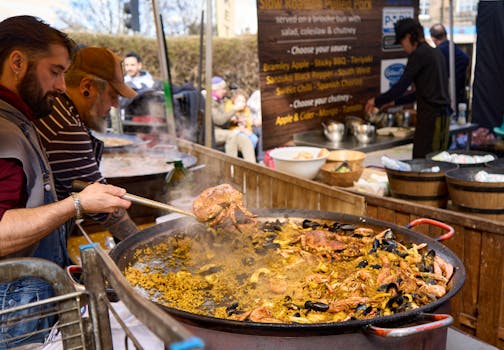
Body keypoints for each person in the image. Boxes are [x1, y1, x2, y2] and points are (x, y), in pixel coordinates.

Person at [0, 16, 131, 347]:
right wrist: (79, 204)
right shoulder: (4, 131)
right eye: (55, 71)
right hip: (13, 304)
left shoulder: (20, 119)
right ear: (17, 63)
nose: (61, 85)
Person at [34, 46, 139, 241]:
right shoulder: (65, 125)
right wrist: (140, 247)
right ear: (87, 87)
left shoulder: (58, 107)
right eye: (113, 94)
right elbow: (108, 209)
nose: (116, 104)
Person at [365, 18, 450, 159]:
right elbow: (421, 93)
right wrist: (394, 103)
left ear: (409, 37)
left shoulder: (418, 55)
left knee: (423, 165)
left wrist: (376, 101)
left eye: (401, 42)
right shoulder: (435, 53)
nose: (403, 47)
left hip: (430, 120)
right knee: (438, 162)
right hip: (443, 119)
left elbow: (400, 87)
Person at [211, 76, 256, 163]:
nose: (225, 91)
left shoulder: (219, 100)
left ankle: (253, 170)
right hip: (212, 131)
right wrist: (235, 109)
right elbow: (219, 120)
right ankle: (231, 169)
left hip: (222, 130)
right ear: (216, 89)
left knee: (247, 141)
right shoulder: (209, 100)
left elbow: (223, 119)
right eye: (223, 89)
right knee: (231, 136)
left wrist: (234, 120)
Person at [429, 23, 469, 116]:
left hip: (445, 100)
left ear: (433, 38)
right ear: (445, 35)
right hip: (460, 96)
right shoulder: (456, 49)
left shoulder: (437, 53)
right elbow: (467, 62)